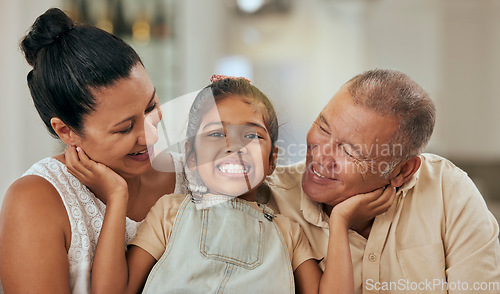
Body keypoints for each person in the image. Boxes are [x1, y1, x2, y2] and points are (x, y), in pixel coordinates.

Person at [67, 75, 395, 293]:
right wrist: (116, 196)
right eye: (215, 134)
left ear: (271, 161)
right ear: (191, 156)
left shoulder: (287, 233)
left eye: (251, 134)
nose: (233, 146)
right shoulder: (170, 213)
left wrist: (339, 223)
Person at [0, 8, 187, 293]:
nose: (150, 135)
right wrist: (117, 196)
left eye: (151, 106)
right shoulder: (35, 201)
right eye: (125, 128)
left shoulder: (191, 174)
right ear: (67, 131)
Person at [266, 69, 500, 293]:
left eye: (350, 151)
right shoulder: (268, 197)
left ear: (402, 171)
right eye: (323, 128)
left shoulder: (448, 192)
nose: (321, 156)